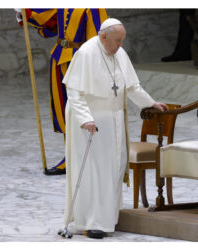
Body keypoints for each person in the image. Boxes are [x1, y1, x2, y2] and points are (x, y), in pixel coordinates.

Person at [62, 18, 168, 239]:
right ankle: (92, 221)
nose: (121, 45)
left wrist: (150, 103)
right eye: (117, 41)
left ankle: (108, 218)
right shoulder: (86, 53)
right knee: (95, 171)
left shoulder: (118, 52)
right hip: (92, 122)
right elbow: (75, 92)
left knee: (114, 167)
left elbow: (132, 86)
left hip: (115, 119)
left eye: (122, 41)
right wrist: (85, 119)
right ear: (103, 37)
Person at [15, 8, 108, 175]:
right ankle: (71, 156)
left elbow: (99, 41)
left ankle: (89, 156)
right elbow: (50, 25)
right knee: (63, 108)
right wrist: (26, 13)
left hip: (80, 62)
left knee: (82, 109)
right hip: (59, 57)